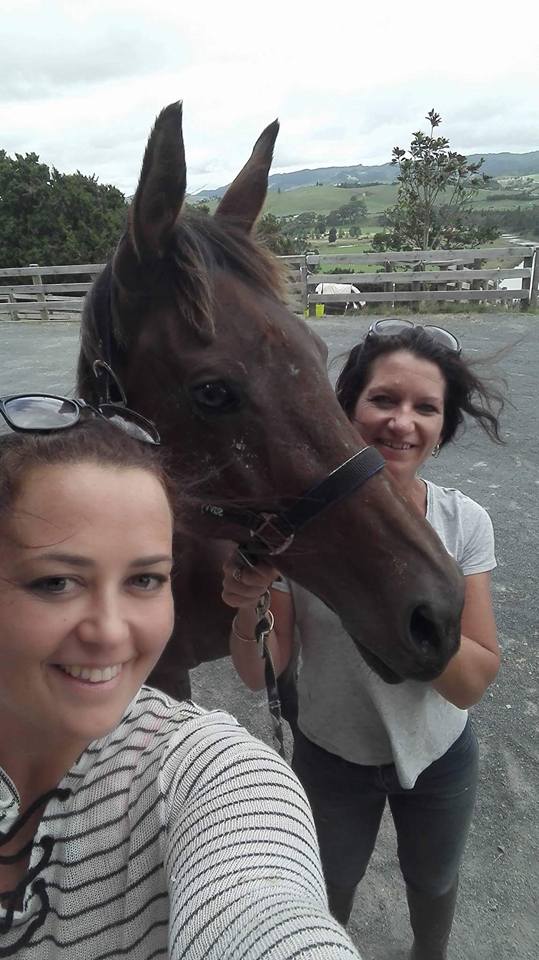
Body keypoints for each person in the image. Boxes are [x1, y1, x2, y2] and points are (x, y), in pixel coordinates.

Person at [0, 391, 362, 958]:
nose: (112, 633)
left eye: (145, 579)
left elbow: (265, 911)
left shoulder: (207, 775)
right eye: (55, 582)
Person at [222, 319, 504, 960]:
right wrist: (247, 608)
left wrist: (398, 609)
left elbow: (473, 679)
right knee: (327, 890)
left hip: (438, 757)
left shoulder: (464, 522)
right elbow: (258, 670)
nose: (402, 421)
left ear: (443, 424)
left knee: (434, 881)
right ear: (345, 410)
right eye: (383, 399)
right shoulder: (301, 529)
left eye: (424, 407)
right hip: (331, 757)